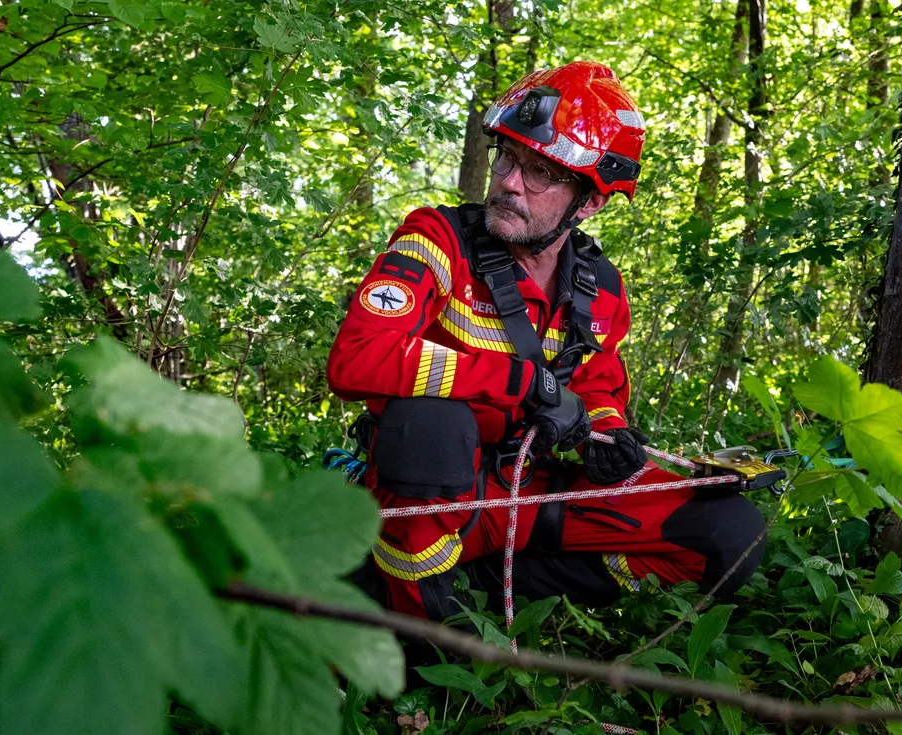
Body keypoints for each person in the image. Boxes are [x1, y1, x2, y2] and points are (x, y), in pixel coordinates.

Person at [326, 61, 767, 620]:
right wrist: (521, 382)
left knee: (731, 533)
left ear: (588, 202)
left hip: (531, 494)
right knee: (433, 428)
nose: (510, 181)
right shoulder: (437, 242)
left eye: (541, 173)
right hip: (430, 496)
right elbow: (357, 358)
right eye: (507, 157)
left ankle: (500, 585)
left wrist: (605, 436)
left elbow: (598, 386)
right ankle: (419, 637)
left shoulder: (599, 288)